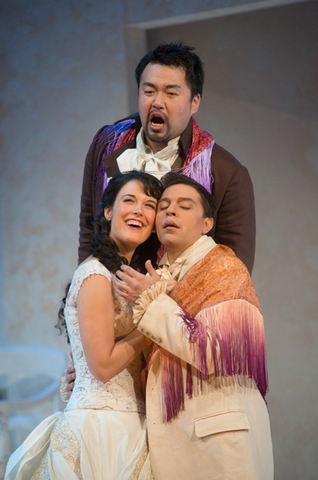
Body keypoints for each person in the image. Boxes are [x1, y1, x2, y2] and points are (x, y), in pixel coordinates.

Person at [114, 172, 273, 480]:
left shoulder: (225, 267)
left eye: (184, 206)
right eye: (163, 206)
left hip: (219, 442)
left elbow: (214, 352)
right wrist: (97, 372)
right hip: (170, 438)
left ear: (207, 224)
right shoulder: (154, 275)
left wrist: (151, 298)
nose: (170, 211)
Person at [5, 171, 163, 480]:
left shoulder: (127, 279)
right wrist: (151, 319)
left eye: (149, 205)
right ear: (108, 211)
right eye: (128, 200)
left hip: (131, 426)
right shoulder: (95, 275)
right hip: (100, 431)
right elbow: (102, 366)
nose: (138, 211)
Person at [79, 42, 256, 274]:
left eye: (171, 93)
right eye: (149, 91)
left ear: (195, 102)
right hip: (106, 293)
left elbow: (234, 272)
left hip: (176, 305)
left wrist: (159, 299)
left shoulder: (224, 172)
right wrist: (89, 285)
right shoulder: (105, 143)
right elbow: (89, 230)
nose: (157, 102)